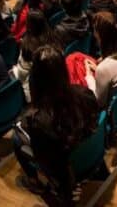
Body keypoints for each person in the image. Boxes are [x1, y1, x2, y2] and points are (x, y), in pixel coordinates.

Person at [13, 46, 99, 201]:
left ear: (35, 78)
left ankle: (36, 183)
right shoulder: (85, 93)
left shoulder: (37, 121)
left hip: (65, 172)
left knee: (16, 138)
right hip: (87, 155)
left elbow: (44, 158)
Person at [11, 10, 56, 102]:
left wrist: (15, 69)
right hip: (54, 85)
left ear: (29, 26)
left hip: (36, 93)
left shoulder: (26, 46)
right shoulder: (53, 38)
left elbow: (22, 74)